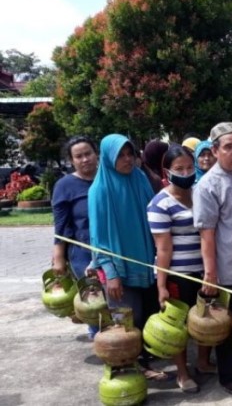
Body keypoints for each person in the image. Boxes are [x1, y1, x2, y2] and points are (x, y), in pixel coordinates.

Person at [88, 134, 165, 380]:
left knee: (145, 317)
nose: (127, 159)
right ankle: (126, 371)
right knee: (124, 321)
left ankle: (142, 364)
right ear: (108, 157)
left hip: (145, 262)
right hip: (118, 269)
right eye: (120, 155)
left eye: (130, 153)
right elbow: (97, 239)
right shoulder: (99, 190)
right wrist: (111, 273)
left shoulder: (139, 179)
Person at [193, 122, 232, 396]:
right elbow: (207, 234)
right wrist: (210, 273)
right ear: (215, 151)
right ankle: (229, 376)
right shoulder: (207, 185)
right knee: (225, 323)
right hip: (225, 265)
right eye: (228, 147)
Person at [147, 145, 215, 393]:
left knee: (206, 320)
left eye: (189, 167)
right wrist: (162, 286)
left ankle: (204, 362)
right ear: (167, 171)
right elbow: (163, 249)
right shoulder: (159, 204)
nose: (185, 173)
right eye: (179, 169)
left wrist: (211, 271)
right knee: (179, 326)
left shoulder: (201, 194)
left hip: (204, 272)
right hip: (178, 275)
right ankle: (183, 373)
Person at [52, 136, 99, 338]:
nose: (85, 159)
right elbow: (60, 226)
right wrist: (59, 258)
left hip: (112, 248)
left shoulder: (107, 178)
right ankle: (101, 340)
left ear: (96, 154)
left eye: (88, 154)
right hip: (82, 251)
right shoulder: (65, 186)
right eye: (78, 156)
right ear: (72, 161)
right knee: (95, 301)